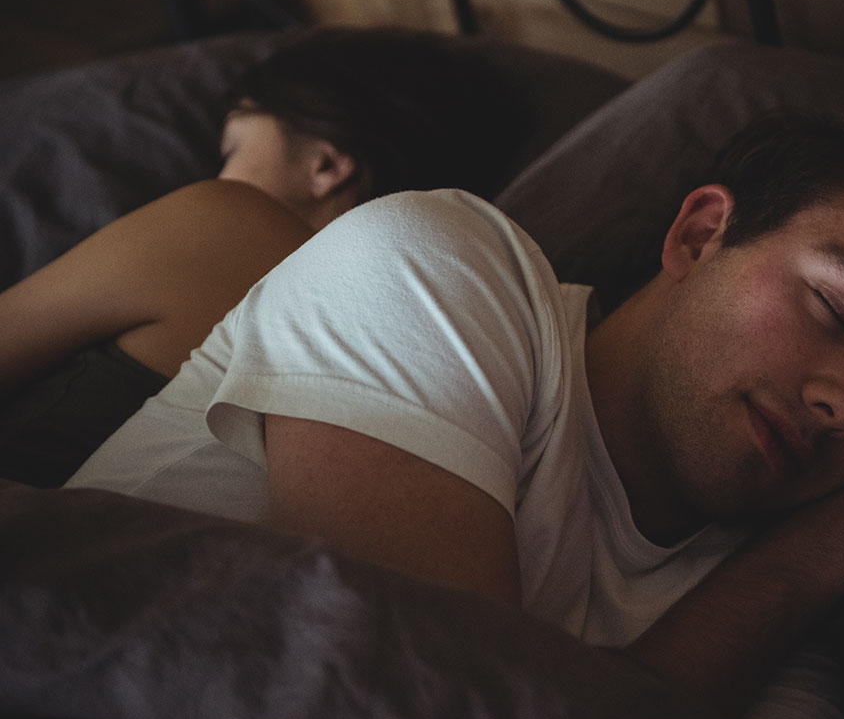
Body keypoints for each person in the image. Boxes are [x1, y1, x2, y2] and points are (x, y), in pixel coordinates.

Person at [67, 111, 844, 719]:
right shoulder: (439, 273)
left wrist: (786, 587)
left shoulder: (775, 635)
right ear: (699, 237)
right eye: (830, 308)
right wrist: (787, 579)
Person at [0, 26, 526, 486]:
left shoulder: (223, 223)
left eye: (231, 150)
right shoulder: (438, 328)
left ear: (326, 163)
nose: (214, 176)